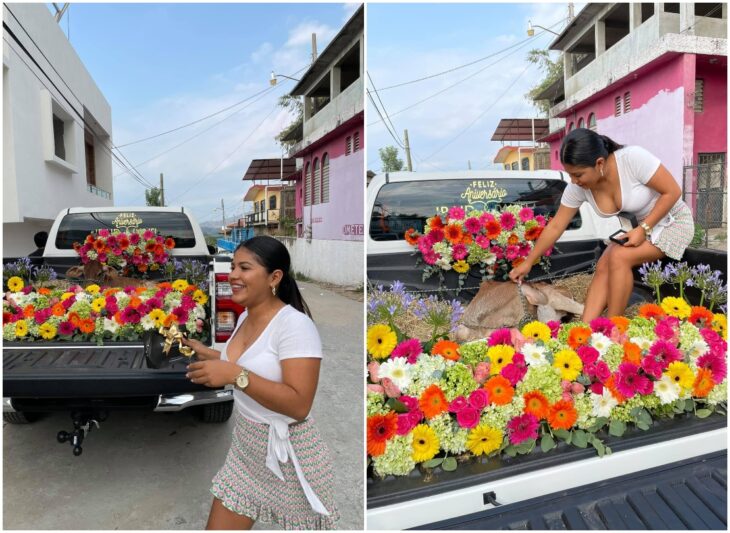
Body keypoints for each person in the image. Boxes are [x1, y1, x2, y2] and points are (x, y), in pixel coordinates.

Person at [182, 236, 339, 530]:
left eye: (245, 268)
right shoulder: (245, 317)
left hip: (293, 457)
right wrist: (209, 354)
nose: (233, 275)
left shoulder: (295, 326)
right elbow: (253, 363)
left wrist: (234, 376)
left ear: (274, 277)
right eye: (232, 266)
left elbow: (299, 404)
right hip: (246, 449)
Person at [509, 128, 694, 321]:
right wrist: (528, 262)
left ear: (599, 163)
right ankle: (586, 328)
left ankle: (613, 328)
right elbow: (556, 226)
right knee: (605, 261)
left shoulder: (633, 159)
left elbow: (672, 191)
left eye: (578, 174)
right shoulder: (578, 187)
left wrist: (644, 228)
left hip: (673, 222)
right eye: (570, 174)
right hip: (642, 229)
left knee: (619, 256)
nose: (573, 180)